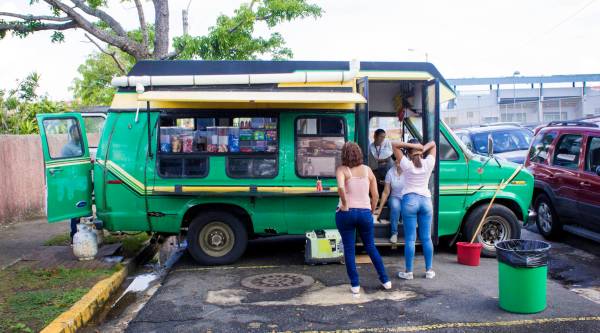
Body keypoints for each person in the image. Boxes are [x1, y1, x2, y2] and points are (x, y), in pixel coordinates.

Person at [336, 142, 391, 295]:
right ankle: (385, 280)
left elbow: (341, 187)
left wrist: (345, 203)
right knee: (370, 246)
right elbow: (376, 196)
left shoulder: (342, 170)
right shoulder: (368, 171)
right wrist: (372, 211)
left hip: (346, 214)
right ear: (359, 154)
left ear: (344, 155)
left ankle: (355, 285)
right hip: (365, 213)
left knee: (349, 248)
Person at [391, 138, 437, 280]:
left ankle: (409, 272)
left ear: (409, 153)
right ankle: (429, 270)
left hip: (410, 201)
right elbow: (433, 143)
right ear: (421, 153)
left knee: (410, 239)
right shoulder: (428, 163)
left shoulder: (406, 164)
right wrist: (421, 147)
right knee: (426, 238)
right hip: (426, 202)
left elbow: (394, 144)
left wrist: (412, 146)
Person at [61, 125, 83, 244]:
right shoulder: (67, 148)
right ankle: (74, 236)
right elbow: (66, 168)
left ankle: (81, 234)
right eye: (76, 132)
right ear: (71, 133)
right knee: (75, 210)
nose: (78, 134)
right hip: (72, 184)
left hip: (81, 182)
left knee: (83, 209)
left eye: (79, 132)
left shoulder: (81, 146)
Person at [374, 160, 405, 244]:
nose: (398, 163)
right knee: (396, 207)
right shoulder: (390, 172)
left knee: (406, 207)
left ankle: (409, 233)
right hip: (394, 197)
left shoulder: (409, 171)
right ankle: (394, 233)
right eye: (397, 161)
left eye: (400, 161)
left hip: (406, 197)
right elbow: (386, 192)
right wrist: (380, 209)